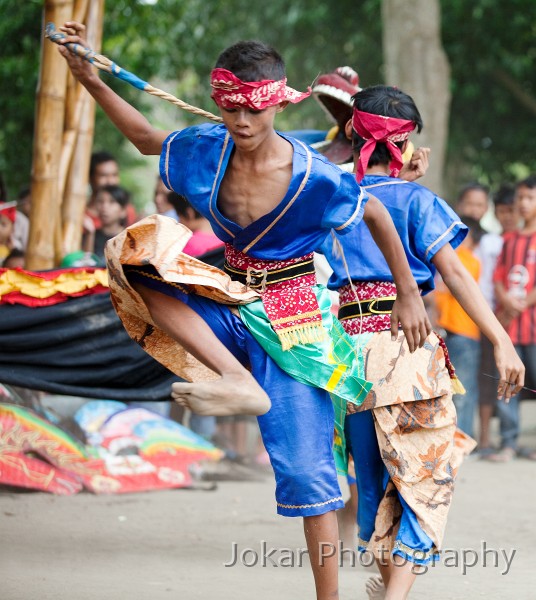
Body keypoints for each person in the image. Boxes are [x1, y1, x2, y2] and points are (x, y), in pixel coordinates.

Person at [58, 23, 430, 600]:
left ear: (278, 102)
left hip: (293, 311)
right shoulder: (206, 147)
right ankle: (235, 378)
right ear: (218, 103)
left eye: (253, 111)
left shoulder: (314, 174)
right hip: (229, 297)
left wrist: (407, 292)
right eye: (230, 109)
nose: (241, 123)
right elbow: (143, 136)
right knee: (133, 253)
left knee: (311, 477)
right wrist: (89, 79)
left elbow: (377, 215)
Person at [320, 85, 524, 600]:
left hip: (347, 354)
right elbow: (454, 273)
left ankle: (389, 587)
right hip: (404, 350)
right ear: (407, 145)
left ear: (352, 134)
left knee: (372, 483)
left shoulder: (335, 201)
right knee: (423, 482)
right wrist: (501, 340)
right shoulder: (416, 200)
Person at [490, 175, 536, 462]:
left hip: (533, 326)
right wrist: (507, 300)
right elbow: (497, 278)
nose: (523, 203)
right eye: (520, 197)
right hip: (510, 327)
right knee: (508, 381)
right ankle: (508, 442)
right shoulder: (509, 241)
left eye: (530, 198)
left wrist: (522, 303)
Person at [434, 216, 486, 438]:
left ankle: (460, 439)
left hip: (463, 332)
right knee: (454, 388)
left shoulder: (467, 260)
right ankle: (455, 438)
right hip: (453, 331)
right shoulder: (457, 259)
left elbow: (445, 287)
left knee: (462, 390)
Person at [477, 184, 519, 454]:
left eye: (511, 211)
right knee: (491, 378)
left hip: (522, 320)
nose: (507, 216)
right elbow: (485, 282)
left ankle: (511, 438)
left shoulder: (527, 242)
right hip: (492, 318)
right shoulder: (491, 242)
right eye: (502, 211)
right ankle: (485, 438)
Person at [86, 184, 130, 263]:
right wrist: (90, 234)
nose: (104, 206)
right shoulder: (90, 234)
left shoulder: (129, 238)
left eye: (112, 202)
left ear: (123, 210)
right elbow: (85, 264)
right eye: (100, 201)